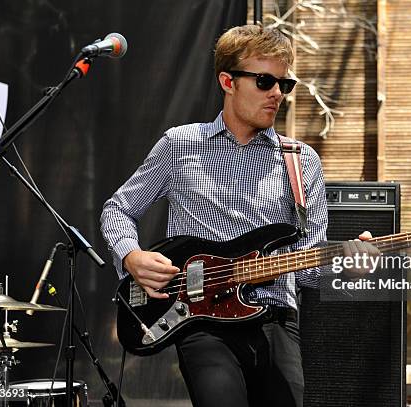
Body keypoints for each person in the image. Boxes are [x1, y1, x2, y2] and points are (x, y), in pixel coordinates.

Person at [101, 24, 374, 407]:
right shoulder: (181, 144)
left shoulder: (301, 161)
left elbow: (309, 266)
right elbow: (118, 210)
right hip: (202, 321)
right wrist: (132, 255)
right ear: (228, 81)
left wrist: (347, 264)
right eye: (265, 81)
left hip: (276, 317)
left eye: (284, 84)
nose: (277, 93)